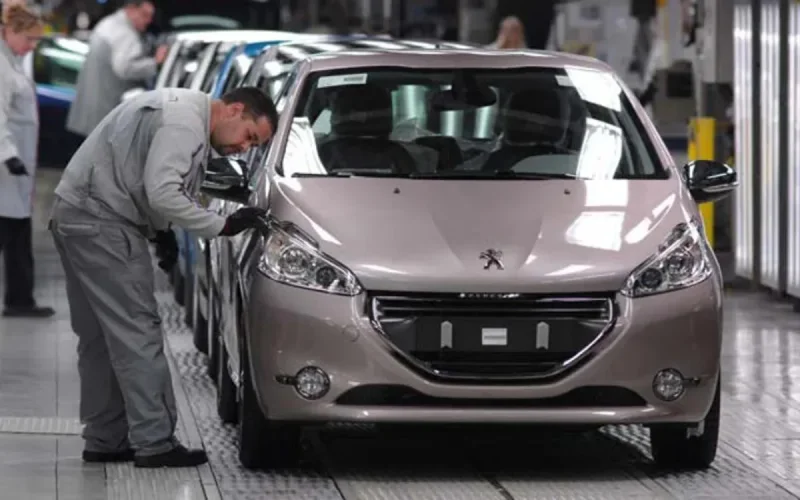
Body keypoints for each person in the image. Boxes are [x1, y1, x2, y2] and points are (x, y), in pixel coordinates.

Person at [49, 86, 277, 467]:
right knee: (138, 331)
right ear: (234, 109)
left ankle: (104, 438)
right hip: (103, 223)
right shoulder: (185, 122)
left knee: (100, 339)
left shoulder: (181, 109)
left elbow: (143, 174)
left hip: (74, 214)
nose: (245, 148)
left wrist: (161, 231)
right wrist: (221, 225)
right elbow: (163, 191)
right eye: (249, 136)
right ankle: (155, 443)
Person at [0, 1, 56, 318]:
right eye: (30, 40)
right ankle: (20, 298)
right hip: (6, 168)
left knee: (18, 232)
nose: (32, 46)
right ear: (12, 31)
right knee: (11, 230)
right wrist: (9, 157)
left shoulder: (11, 61)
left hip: (15, 169)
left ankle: (20, 299)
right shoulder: (1, 66)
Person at [66, 0, 167, 138]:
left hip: (91, 109)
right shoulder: (125, 33)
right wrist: (156, 63)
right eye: (145, 15)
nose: (149, 20)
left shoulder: (108, 23)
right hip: (106, 112)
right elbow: (124, 68)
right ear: (131, 9)